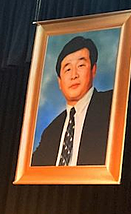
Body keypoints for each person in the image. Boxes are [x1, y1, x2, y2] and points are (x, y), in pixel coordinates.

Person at [30, 36, 113, 166]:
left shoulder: (112, 104)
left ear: (93, 70)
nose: (74, 75)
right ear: (59, 81)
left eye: (81, 65)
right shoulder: (51, 131)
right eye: (68, 69)